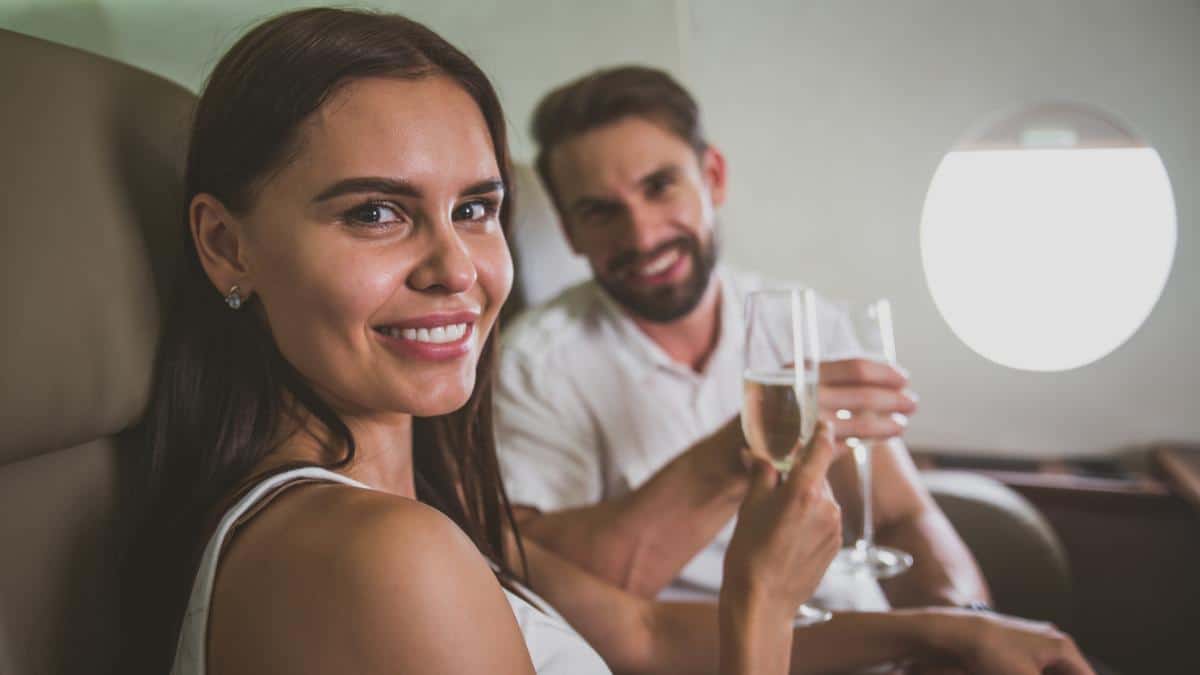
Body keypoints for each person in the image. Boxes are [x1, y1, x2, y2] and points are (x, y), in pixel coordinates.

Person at [120, 9, 845, 675]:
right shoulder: (382, 555)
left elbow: (643, 630)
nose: (457, 269)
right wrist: (762, 605)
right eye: (376, 212)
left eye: (474, 208)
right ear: (225, 245)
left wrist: (930, 632)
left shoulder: (431, 506)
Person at [495, 65, 1095, 674]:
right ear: (569, 229)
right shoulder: (532, 370)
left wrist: (965, 622)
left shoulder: (802, 320)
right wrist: (743, 445)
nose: (643, 234)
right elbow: (574, 602)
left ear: (713, 178)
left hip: (902, 649)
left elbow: (901, 514)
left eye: (660, 187)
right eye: (600, 212)